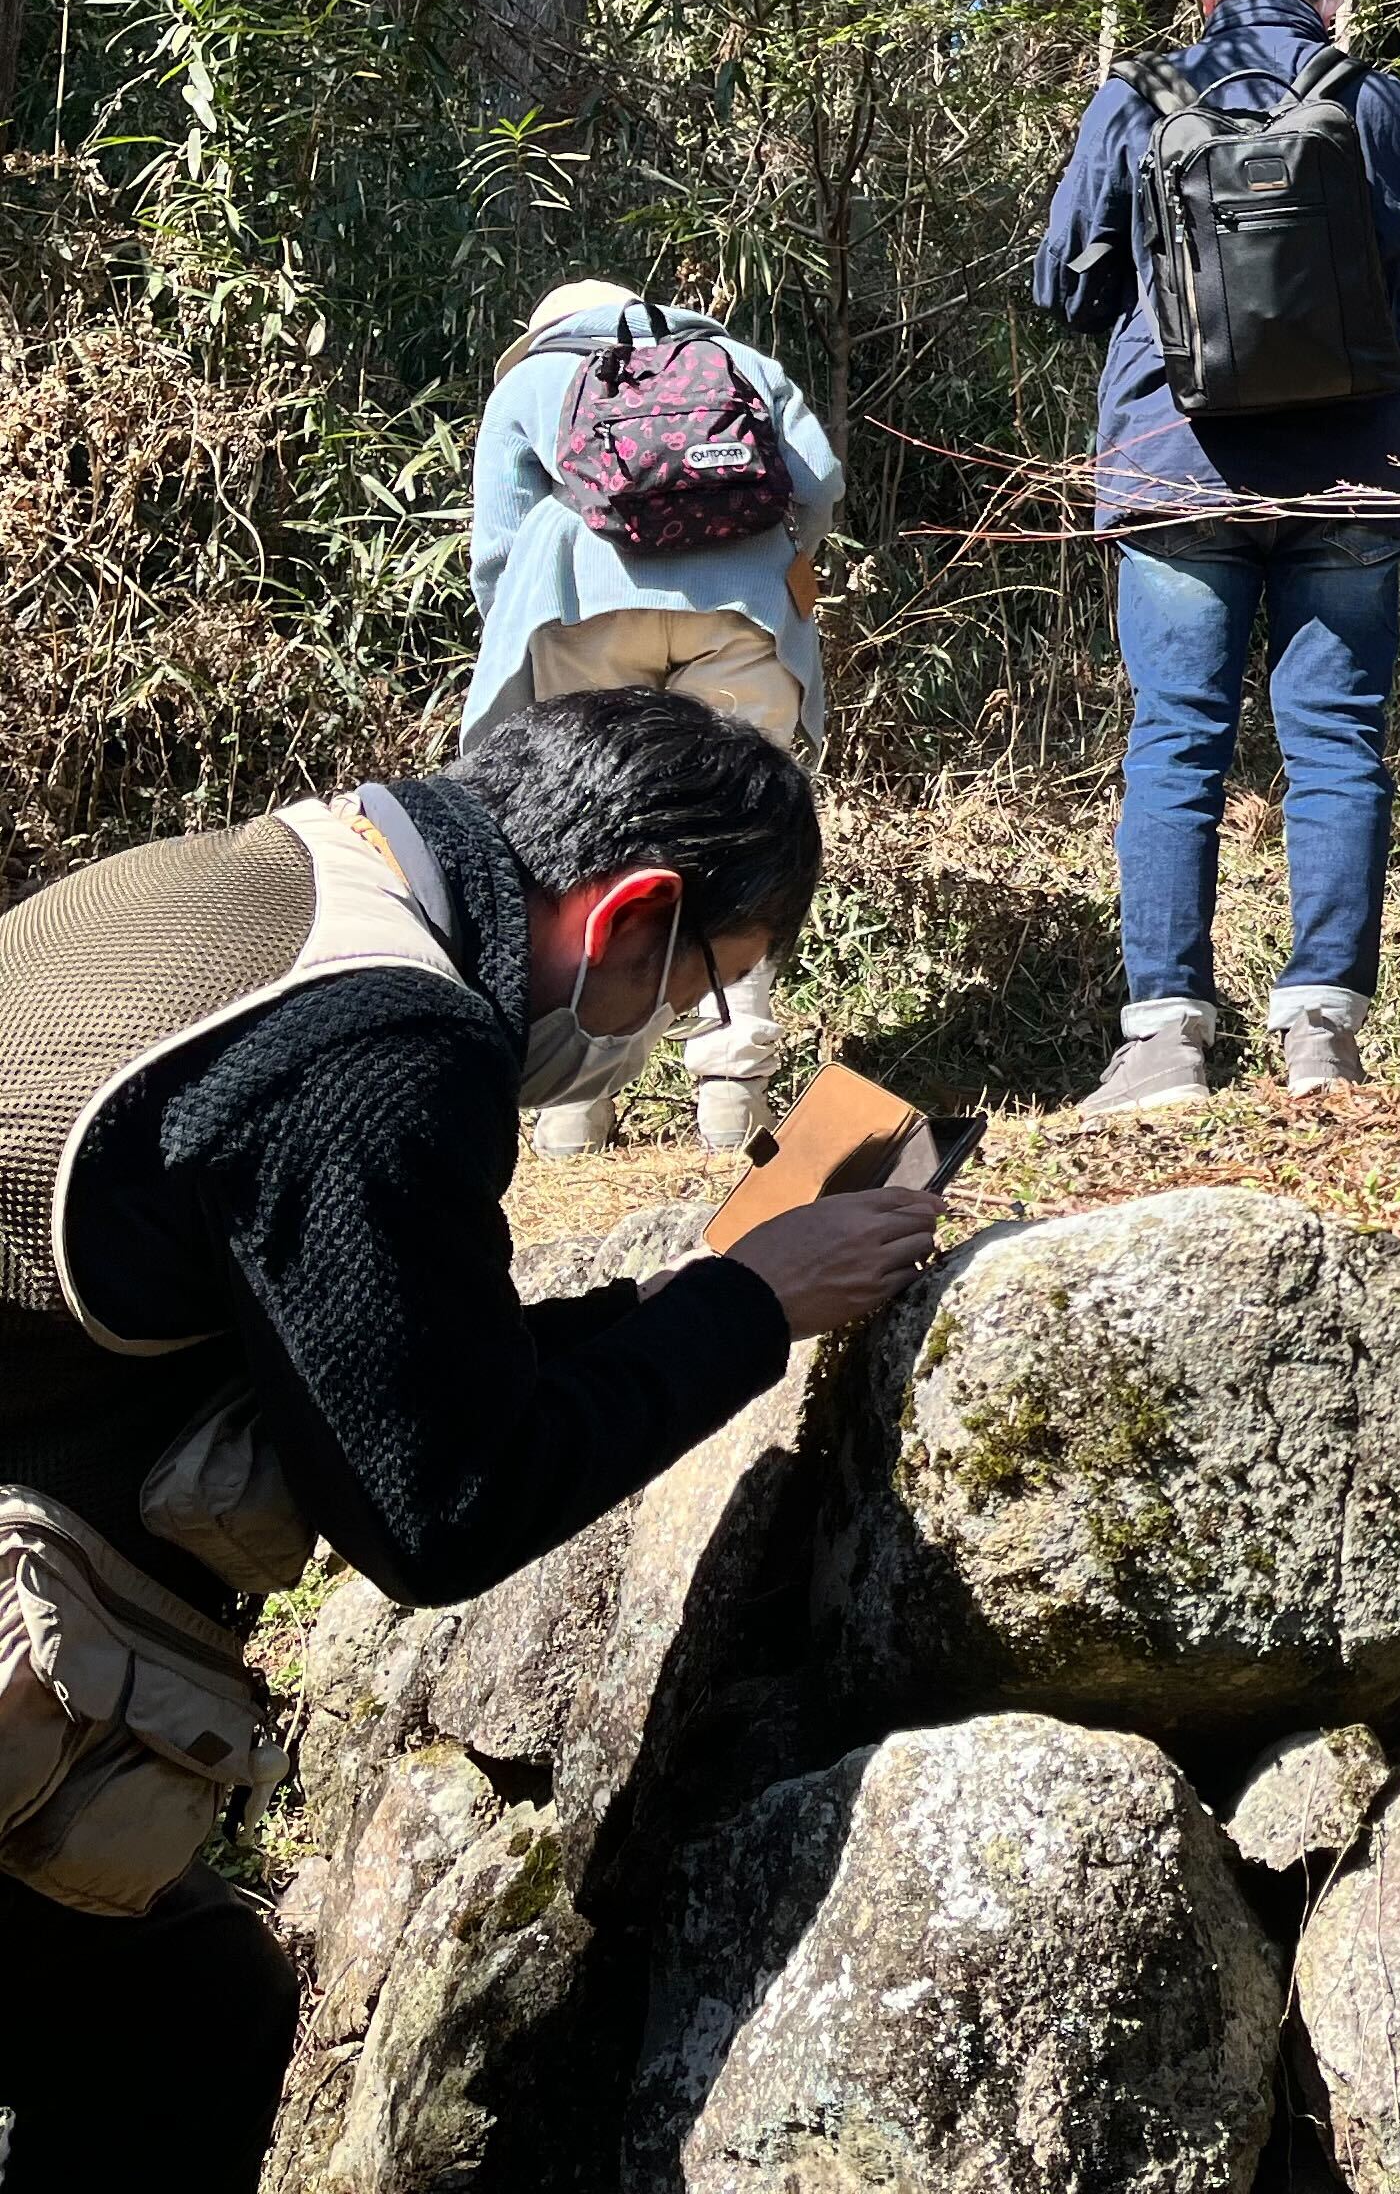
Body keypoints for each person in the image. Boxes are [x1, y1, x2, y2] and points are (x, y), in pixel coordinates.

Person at [0, 688, 942, 2190]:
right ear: (634, 911)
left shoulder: (284, 881)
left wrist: (686, 1299)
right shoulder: (382, 1039)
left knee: (182, 2003)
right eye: (706, 983)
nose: (681, 1031)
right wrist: (749, 1311)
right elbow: (440, 1503)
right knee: (178, 2017)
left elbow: (378, 1364)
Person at [1033, 0, 1400, 1119]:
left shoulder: (1140, 95)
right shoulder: (1376, 98)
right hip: (1349, 473)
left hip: (1176, 467)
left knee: (1178, 741)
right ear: (1326, 5)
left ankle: (1165, 1041)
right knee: (1336, 742)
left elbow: (1068, 280)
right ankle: (1322, 1030)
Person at [467, 277, 846, 1153]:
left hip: (580, 610)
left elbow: (499, 544)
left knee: (590, 843)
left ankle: (571, 1114)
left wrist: (518, 625)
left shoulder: (530, 382)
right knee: (736, 841)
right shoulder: (735, 359)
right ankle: (731, 1104)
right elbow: (818, 483)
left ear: (543, 330)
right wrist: (765, 559)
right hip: (745, 615)